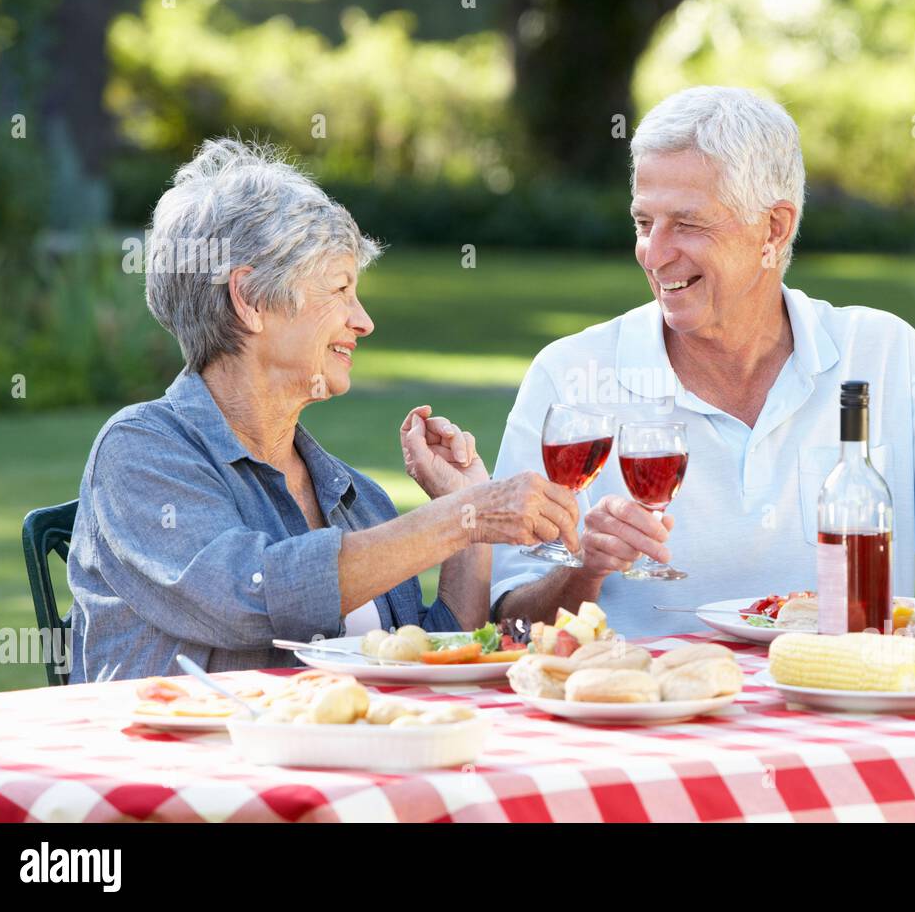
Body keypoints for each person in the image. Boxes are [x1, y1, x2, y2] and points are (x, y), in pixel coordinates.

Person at [489, 86, 915, 634]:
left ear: (774, 228)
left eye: (686, 224)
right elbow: (508, 622)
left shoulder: (886, 357)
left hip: (850, 711)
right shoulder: (569, 377)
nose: (654, 253)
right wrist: (586, 568)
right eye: (643, 222)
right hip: (652, 718)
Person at [67, 139, 579, 682]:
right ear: (251, 300)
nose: (363, 321)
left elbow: (423, 656)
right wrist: (462, 517)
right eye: (340, 289)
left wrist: (467, 519)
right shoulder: (140, 453)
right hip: (190, 761)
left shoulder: (352, 496)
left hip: (345, 760)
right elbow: (253, 597)